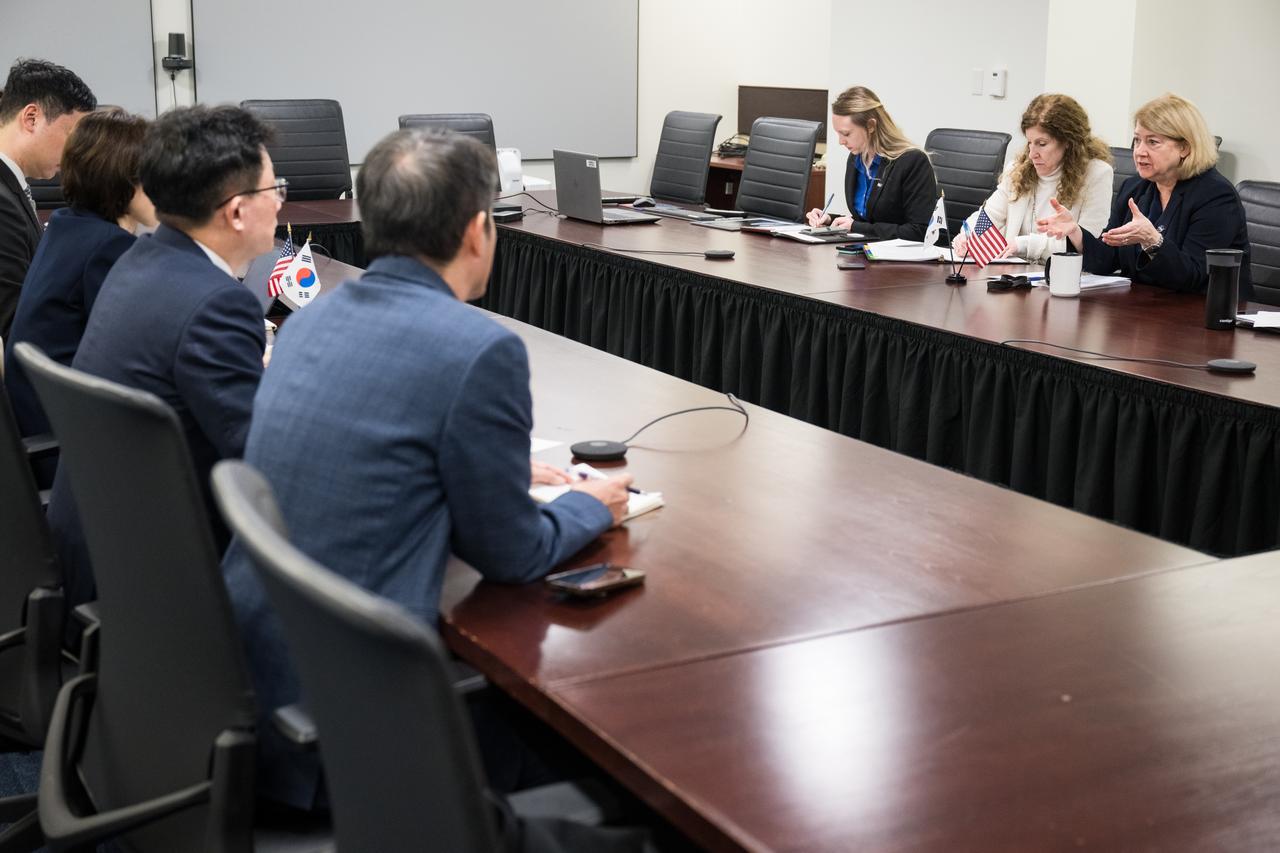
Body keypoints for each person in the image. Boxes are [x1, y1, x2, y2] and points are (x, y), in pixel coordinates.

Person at [220, 128, 633, 816]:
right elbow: (512, 552)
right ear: (479, 230)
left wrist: (480, 464)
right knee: (610, 770)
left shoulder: (309, 318)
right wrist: (596, 502)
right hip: (359, 734)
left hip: (259, 690)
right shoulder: (480, 348)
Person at [46, 105, 280, 612]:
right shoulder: (219, 303)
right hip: (158, 585)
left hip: (96, 549)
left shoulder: (140, 259)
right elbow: (264, 464)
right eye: (273, 189)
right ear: (237, 210)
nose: (280, 203)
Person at [5, 108, 156, 439]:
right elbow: (138, 352)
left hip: (41, 425)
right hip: (70, 446)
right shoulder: (107, 247)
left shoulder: (66, 225)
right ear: (125, 180)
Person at [1037, 93, 1250, 294]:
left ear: (1184, 148)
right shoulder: (1136, 188)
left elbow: (1192, 277)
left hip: (1201, 318)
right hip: (1145, 312)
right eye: (1137, 140)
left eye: (1153, 142)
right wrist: (1076, 232)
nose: (1139, 151)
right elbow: (1110, 257)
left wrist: (1152, 241)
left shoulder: (1216, 196)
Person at [951, 94, 1112, 262]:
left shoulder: (1097, 174)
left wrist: (1023, 244)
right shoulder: (1018, 168)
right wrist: (968, 236)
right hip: (1014, 276)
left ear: (1068, 142)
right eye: (1029, 143)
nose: (1032, 154)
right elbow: (989, 215)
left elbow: (1088, 243)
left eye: (1041, 144)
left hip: (1062, 276)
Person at [0, 58, 96, 335]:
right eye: (71, 135)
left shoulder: (13, 187)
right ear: (32, 118)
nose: (74, 152)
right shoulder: (2, 202)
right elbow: (12, 319)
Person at [806, 85, 937, 241]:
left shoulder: (912, 162)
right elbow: (867, 220)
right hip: (866, 253)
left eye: (846, 134)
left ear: (871, 126)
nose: (841, 141)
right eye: (838, 134)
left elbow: (919, 231)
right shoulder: (856, 158)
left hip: (900, 260)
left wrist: (855, 227)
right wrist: (830, 219)